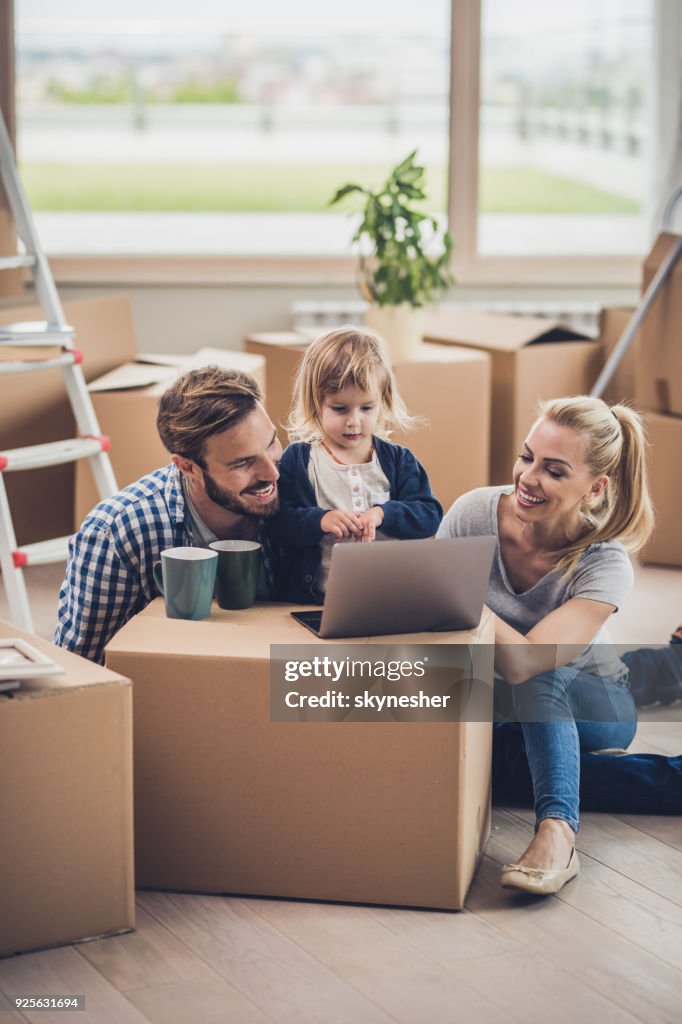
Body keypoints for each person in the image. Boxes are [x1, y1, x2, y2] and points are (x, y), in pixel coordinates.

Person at [438, 395, 682, 896]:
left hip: (597, 699)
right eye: (526, 457)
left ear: (595, 488)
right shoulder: (473, 514)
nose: (528, 478)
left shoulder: (605, 561)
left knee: (541, 674)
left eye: (553, 470)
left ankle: (557, 833)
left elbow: (527, 662)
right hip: (493, 693)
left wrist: (457, 594)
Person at [55, 366, 283, 665]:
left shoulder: (305, 491)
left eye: (271, 444)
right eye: (242, 463)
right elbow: (82, 670)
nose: (273, 472)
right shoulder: (116, 531)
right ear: (187, 467)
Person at [272, 326, 442, 603]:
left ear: (383, 402)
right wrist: (320, 520)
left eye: (367, 408)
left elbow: (429, 514)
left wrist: (383, 514)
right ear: (315, 404)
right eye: (340, 409)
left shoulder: (398, 460)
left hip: (390, 597)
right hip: (318, 600)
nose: (354, 421)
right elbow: (278, 523)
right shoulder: (299, 460)